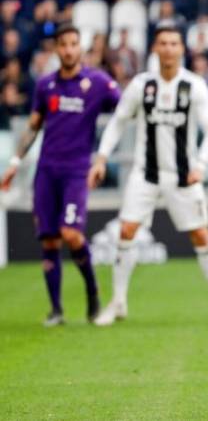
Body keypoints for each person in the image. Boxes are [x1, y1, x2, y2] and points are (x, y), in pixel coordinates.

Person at [88, 21, 208, 326]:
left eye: (174, 43)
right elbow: (117, 121)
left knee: (201, 235)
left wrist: (201, 166)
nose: (168, 49)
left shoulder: (194, 85)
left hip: (184, 176)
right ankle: (118, 303)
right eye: (163, 43)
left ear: (181, 49)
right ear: (155, 48)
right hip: (146, 174)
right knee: (126, 231)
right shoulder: (142, 85)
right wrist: (101, 158)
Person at [0, 24, 121, 326]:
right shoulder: (46, 85)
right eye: (63, 45)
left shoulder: (97, 82)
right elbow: (33, 125)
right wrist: (15, 161)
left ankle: (92, 292)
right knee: (50, 242)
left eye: (73, 44)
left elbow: (125, 109)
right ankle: (56, 310)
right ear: (57, 49)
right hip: (46, 171)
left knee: (71, 234)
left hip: (77, 171)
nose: (68, 49)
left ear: (80, 47)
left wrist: (104, 155)